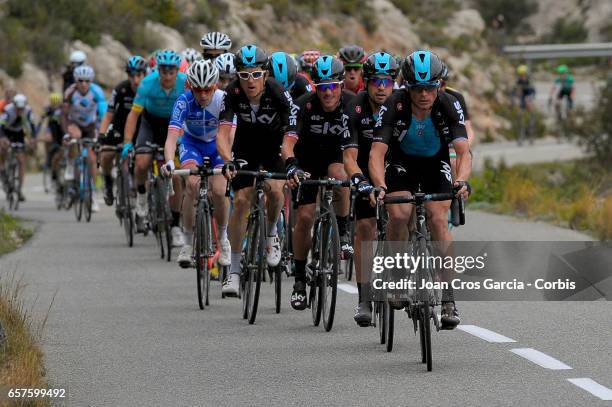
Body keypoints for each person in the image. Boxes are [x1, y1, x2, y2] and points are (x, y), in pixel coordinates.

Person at [369, 50, 472, 330]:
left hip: (435, 164)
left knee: (439, 219)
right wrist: (378, 185)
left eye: (430, 87)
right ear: (407, 87)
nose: (424, 94)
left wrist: (461, 181)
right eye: (418, 88)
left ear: (439, 85)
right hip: (401, 163)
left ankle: (449, 297)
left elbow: (463, 151)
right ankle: (398, 274)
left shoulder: (449, 104)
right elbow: (377, 153)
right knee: (400, 214)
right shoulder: (394, 104)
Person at [217, 44, 296, 296]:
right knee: (241, 200)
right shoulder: (232, 93)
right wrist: (228, 159)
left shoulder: (278, 92)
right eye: (244, 75)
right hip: (245, 150)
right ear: (237, 76)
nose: (250, 80)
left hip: (274, 148)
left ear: (265, 74)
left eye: (256, 74)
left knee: (275, 190)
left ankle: (272, 233)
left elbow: (290, 131)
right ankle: (235, 272)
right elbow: (222, 133)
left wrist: (290, 158)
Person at [281, 55, 353, 310]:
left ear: (342, 85)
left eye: (333, 86)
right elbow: (288, 142)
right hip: (307, 160)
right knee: (305, 218)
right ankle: (300, 278)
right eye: (323, 87)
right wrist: (291, 164)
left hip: (337, 158)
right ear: (315, 87)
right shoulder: (303, 105)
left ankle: (343, 231)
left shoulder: (352, 105)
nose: (328, 93)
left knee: (342, 177)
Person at [342, 51, 399, 325]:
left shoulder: (403, 105)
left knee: (405, 218)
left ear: (394, 82)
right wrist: (358, 179)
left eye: (387, 81)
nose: (381, 86)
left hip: (399, 169)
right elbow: (349, 157)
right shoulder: (354, 107)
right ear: (366, 82)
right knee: (365, 229)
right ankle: (364, 298)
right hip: (365, 171)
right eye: (376, 80)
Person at [163, 59, 232, 268]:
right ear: (191, 87)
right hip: (192, 144)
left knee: (220, 190)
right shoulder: (183, 101)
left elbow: (231, 135)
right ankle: (187, 242)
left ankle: (223, 239)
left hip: (217, 145)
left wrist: (230, 161)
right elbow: (172, 137)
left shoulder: (223, 100)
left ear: (216, 86)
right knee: (192, 184)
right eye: (198, 90)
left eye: (207, 90)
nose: (203, 95)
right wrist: (168, 161)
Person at [121, 50, 187, 247]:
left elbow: (190, 111)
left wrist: (186, 137)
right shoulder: (147, 83)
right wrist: (127, 142)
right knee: (141, 163)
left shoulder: (185, 83)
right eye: (164, 71)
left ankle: (175, 226)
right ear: (158, 70)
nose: (167, 75)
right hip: (149, 124)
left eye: (171, 71)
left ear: (177, 71)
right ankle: (141, 198)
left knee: (175, 175)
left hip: (173, 124)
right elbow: (133, 115)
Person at [98, 56, 147, 205]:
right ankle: (107, 182)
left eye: (139, 75)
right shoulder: (120, 89)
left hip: (140, 127)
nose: (135, 80)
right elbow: (108, 114)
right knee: (106, 154)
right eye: (132, 75)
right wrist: (101, 135)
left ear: (145, 74)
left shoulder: (148, 89)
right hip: (119, 125)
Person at [62, 65, 107, 212]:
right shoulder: (70, 91)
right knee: (73, 140)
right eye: (80, 81)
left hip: (90, 125)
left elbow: (103, 113)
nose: (83, 84)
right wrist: (67, 131)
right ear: (75, 80)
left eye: (87, 81)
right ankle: (70, 164)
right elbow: (63, 115)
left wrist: (102, 132)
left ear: (91, 81)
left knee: (92, 159)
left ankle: (93, 195)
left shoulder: (97, 91)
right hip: (74, 123)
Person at [439, 62, 475, 173]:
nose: (439, 88)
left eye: (442, 84)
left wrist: (464, 149)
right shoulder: (421, 97)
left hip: (450, 141)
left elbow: (468, 129)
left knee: (455, 162)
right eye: (434, 84)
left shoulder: (455, 97)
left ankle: (457, 188)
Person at [0, 94, 35, 200]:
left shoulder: (28, 111)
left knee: (21, 160)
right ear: (14, 105)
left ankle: (19, 189)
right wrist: (2, 138)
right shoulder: (7, 110)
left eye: (21, 109)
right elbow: (0, 126)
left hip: (18, 133)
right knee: (2, 149)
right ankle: (2, 169)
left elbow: (32, 126)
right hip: (6, 131)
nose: (19, 111)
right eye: (17, 108)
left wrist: (32, 139)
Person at [40, 93, 65, 189]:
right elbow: (41, 121)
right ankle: (49, 162)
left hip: (62, 133)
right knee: (48, 142)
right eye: (53, 104)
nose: (55, 106)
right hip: (52, 133)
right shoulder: (48, 110)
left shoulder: (64, 110)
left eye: (57, 103)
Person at [512, 64, 536, 145]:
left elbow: (533, 92)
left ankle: (531, 134)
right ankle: (521, 136)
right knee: (520, 117)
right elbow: (514, 92)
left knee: (531, 116)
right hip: (522, 99)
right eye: (521, 75)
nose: (522, 76)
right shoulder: (517, 81)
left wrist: (530, 99)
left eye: (524, 74)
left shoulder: (529, 81)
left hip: (528, 98)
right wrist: (514, 99)